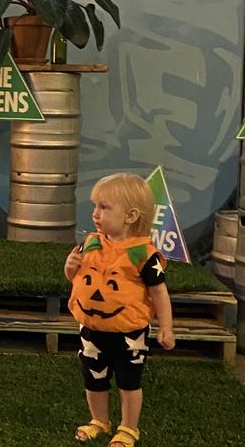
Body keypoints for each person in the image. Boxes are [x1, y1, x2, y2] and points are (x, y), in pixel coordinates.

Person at [64, 173, 175, 446]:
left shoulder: (142, 254)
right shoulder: (91, 242)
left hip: (129, 333)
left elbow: (159, 293)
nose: (95, 214)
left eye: (104, 208)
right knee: (93, 378)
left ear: (130, 215)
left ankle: (128, 428)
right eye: (95, 207)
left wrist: (167, 327)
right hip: (91, 329)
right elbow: (75, 278)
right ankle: (99, 420)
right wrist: (69, 267)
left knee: (129, 382)